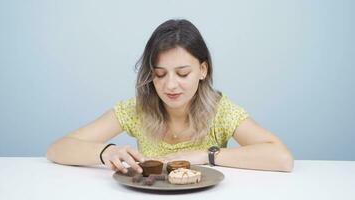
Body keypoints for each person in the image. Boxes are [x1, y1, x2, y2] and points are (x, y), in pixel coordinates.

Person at [46, 19, 294, 174]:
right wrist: (106, 152)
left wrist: (206, 156)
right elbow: (57, 149)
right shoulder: (136, 110)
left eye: (183, 73)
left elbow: (281, 158)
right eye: (160, 74)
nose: (170, 85)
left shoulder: (221, 111)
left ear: (202, 70)